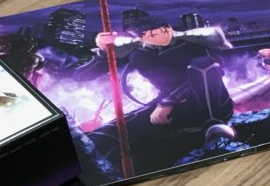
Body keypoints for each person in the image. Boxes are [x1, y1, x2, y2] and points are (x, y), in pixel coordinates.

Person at [92, 18, 235, 171]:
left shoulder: (194, 44)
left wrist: (169, 100)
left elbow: (213, 68)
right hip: (173, 112)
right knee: (108, 133)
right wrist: (103, 51)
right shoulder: (137, 53)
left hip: (210, 105)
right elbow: (82, 75)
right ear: (142, 37)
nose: (161, 35)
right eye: (152, 34)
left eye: (165, 30)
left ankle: (214, 126)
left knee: (203, 64)